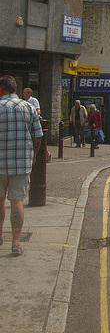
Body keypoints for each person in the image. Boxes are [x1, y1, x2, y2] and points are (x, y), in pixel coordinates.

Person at [0, 75, 43, 256]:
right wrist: (32, 155)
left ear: (1, 89)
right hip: (20, 163)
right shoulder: (28, 108)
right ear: (15, 89)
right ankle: (16, 243)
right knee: (17, 201)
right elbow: (38, 135)